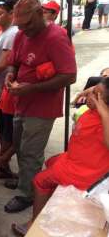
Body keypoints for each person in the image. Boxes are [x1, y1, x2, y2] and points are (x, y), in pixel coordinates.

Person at [3, 0, 77, 213]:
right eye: (20, 25)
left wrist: (32, 88)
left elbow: (69, 75)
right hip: (22, 102)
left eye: (27, 24)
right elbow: (14, 63)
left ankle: (27, 194)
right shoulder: (20, 35)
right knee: (19, 145)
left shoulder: (56, 37)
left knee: (30, 151)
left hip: (42, 107)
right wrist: (10, 76)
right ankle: (25, 181)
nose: (24, 29)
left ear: (39, 14)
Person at [12, 78, 109, 236]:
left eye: (96, 94)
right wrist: (90, 93)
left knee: (39, 181)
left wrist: (103, 110)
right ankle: (47, 201)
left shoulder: (105, 121)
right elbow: (97, 90)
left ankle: (33, 222)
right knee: (51, 162)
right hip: (75, 158)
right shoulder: (94, 110)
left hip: (84, 172)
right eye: (92, 90)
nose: (90, 95)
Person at [0, 0, 19, 178]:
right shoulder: (4, 32)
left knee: (7, 128)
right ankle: (2, 164)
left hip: (3, 88)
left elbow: (5, 61)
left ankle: (3, 164)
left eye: (0, 13)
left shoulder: (11, 33)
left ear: (11, 13)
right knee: (1, 127)